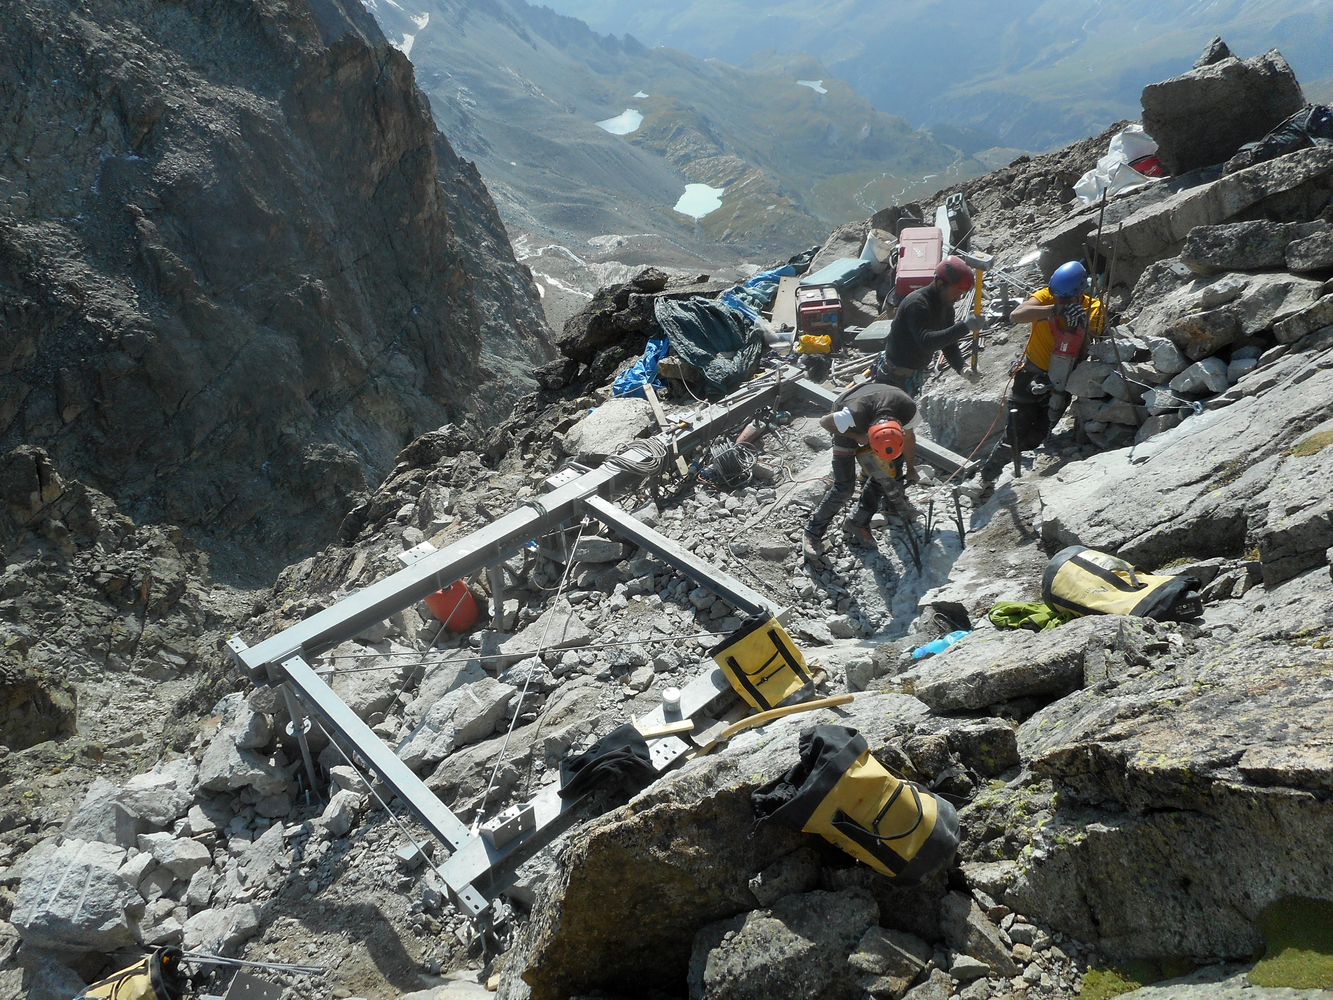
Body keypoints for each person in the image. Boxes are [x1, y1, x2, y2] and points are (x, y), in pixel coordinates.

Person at [977, 260, 1105, 485]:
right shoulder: (1047, 297)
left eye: (1066, 299)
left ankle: (1020, 465)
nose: (1061, 301)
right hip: (1031, 374)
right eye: (1057, 297)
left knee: (1036, 436)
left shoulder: (1094, 308)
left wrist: (1080, 326)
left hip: (1062, 381)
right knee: (1015, 433)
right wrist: (1054, 310)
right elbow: (1016, 315)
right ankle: (986, 478)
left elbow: (1090, 348)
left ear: (1081, 292)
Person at [802, 382, 922, 560]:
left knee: (888, 471)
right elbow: (824, 421)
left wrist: (911, 469)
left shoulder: (908, 411)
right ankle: (812, 533)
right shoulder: (851, 416)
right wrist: (856, 436)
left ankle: (858, 522)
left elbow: (910, 438)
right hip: (851, 422)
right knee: (844, 489)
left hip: (882, 402)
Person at [878, 256, 984, 396]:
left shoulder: (947, 308)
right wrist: (964, 327)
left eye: (962, 294)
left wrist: (962, 367)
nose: (958, 298)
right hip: (893, 380)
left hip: (911, 378)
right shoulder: (916, 304)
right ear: (940, 284)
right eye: (957, 292)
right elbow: (927, 342)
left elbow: (949, 344)